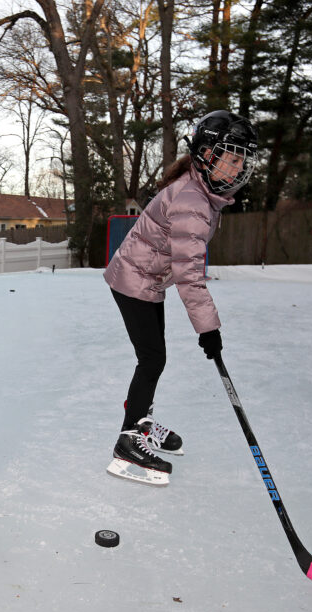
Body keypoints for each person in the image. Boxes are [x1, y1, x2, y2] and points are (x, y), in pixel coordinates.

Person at [103, 110, 259, 485]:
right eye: (232, 158)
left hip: (144, 278)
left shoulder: (201, 191)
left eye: (241, 160)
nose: (238, 168)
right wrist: (209, 329)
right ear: (206, 154)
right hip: (134, 280)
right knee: (152, 358)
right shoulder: (192, 200)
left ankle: (141, 418)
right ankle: (128, 442)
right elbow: (189, 274)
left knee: (153, 357)